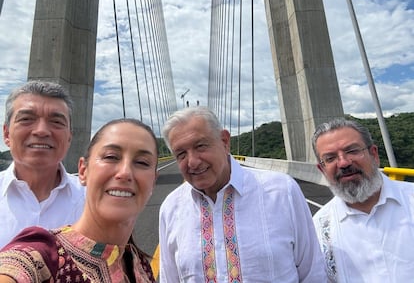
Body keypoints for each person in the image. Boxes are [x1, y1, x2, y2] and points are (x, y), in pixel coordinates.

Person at [159, 106, 327, 282]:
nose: (192, 162)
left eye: (200, 146)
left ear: (224, 141)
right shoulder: (171, 208)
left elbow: (313, 272)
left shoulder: (282, 191)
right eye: (181, 154)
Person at [0, 118, 158, 282]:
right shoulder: (43, 257)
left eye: (141, 162)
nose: (125, 172)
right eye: (111, 157)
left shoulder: (140, 266)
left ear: (153, 181)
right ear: (83, 171)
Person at [312, 118, 414, 282]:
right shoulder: (318, 229)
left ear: (374, 154)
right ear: (322, 169)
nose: (344, 163)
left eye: (352, 151)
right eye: (330, 158)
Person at [0, 80, 85, 248]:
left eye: (56, 122)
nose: (41, 131)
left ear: (69, 137)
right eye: (26, 119)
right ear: (7, 134)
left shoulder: (92, 200)